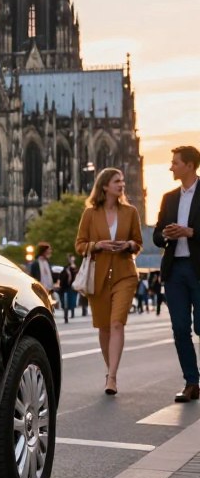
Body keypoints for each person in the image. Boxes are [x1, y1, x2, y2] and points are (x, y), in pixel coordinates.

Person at [76, 168, 143, 395]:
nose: (122, 184)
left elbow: (138, 242)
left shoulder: (130, 211)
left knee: (117, 324)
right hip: (99, 277)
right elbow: (80, 245)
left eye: (123, 180)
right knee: (104, 327)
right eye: (117, 181)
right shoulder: (90, 214)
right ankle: (109, 370)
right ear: (105, 186)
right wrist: (98, 245)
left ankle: (112, 377)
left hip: (125, 274)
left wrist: (129, 246)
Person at [152, 145, 200, 403]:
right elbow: (157, 233)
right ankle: (192, 382)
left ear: (190, 165)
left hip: (198, 268)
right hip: (175, 270)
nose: (171, 167)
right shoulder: (169, 197)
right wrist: (165, 235)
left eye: (175, 163)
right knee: (180, 328)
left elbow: (193, 231)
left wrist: (190, 232)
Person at [58, 255, 77, 323]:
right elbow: (61, 278)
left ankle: (71, 313)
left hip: (71, 288)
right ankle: (66, 316)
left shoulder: (73, 268)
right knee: (65, 303)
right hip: (64, 288)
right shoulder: (65, 269)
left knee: (72, 301)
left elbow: (75, 275)